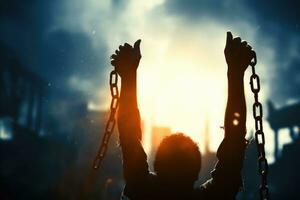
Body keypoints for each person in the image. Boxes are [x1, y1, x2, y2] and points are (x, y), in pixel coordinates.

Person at [110, 31, 254, 199]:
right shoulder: (212, 196)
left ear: (156, 166)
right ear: (196, 172)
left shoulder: (143, 190)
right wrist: (235, 72)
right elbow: (233, 145)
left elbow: (129, 137)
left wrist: (128, 76)